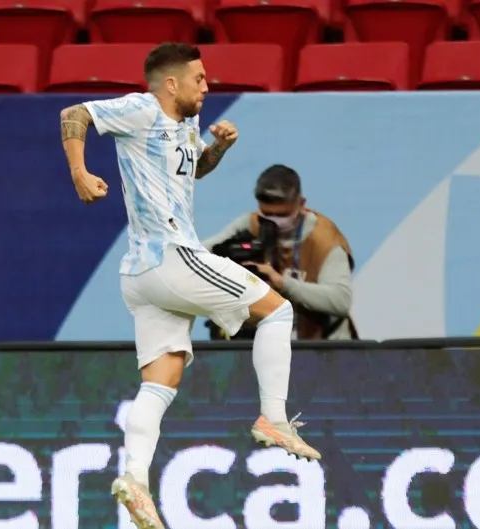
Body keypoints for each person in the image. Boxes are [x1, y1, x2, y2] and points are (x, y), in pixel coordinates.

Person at [58, 42, 320, 529]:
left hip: (141, 275)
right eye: (199, 78)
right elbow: (74, 113)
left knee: (161, 380)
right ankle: (274, 419)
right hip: (170, 256)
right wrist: (80, 170)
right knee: (278, 311)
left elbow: (193, 166)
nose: (207, 85)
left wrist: (218, 147)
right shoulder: (141, 107)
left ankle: (134, 477)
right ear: (171, 83)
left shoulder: (185, 124)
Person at [203, 164, 358, 340]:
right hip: (269, 341)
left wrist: (283, 284)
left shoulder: (325, 240)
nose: (274, 222)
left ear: (301, 204)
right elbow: (201, 253)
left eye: (282, 215)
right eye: (267, 214)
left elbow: (340, 301)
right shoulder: (251, 223)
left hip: (324, 349)